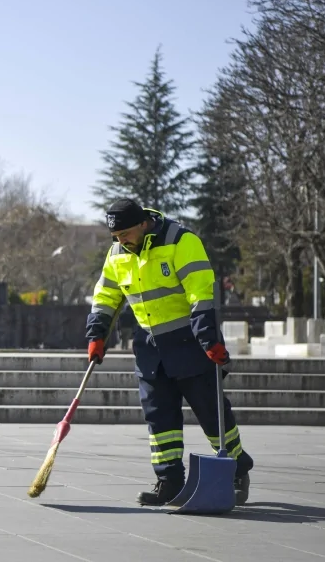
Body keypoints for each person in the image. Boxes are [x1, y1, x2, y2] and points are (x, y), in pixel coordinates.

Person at [84, 198, 254, 507]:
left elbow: (201, 292)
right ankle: (169, 481)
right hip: (149, 347)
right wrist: (97, 335)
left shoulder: (180, 241)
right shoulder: (117, 254)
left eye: (124, 233)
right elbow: (106, 295)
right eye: (115, 236)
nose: (120, 240)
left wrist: (209, 339)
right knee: (159, 418)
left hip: (189, 342)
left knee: (211, 412)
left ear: (143, 223)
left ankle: (237, 470)